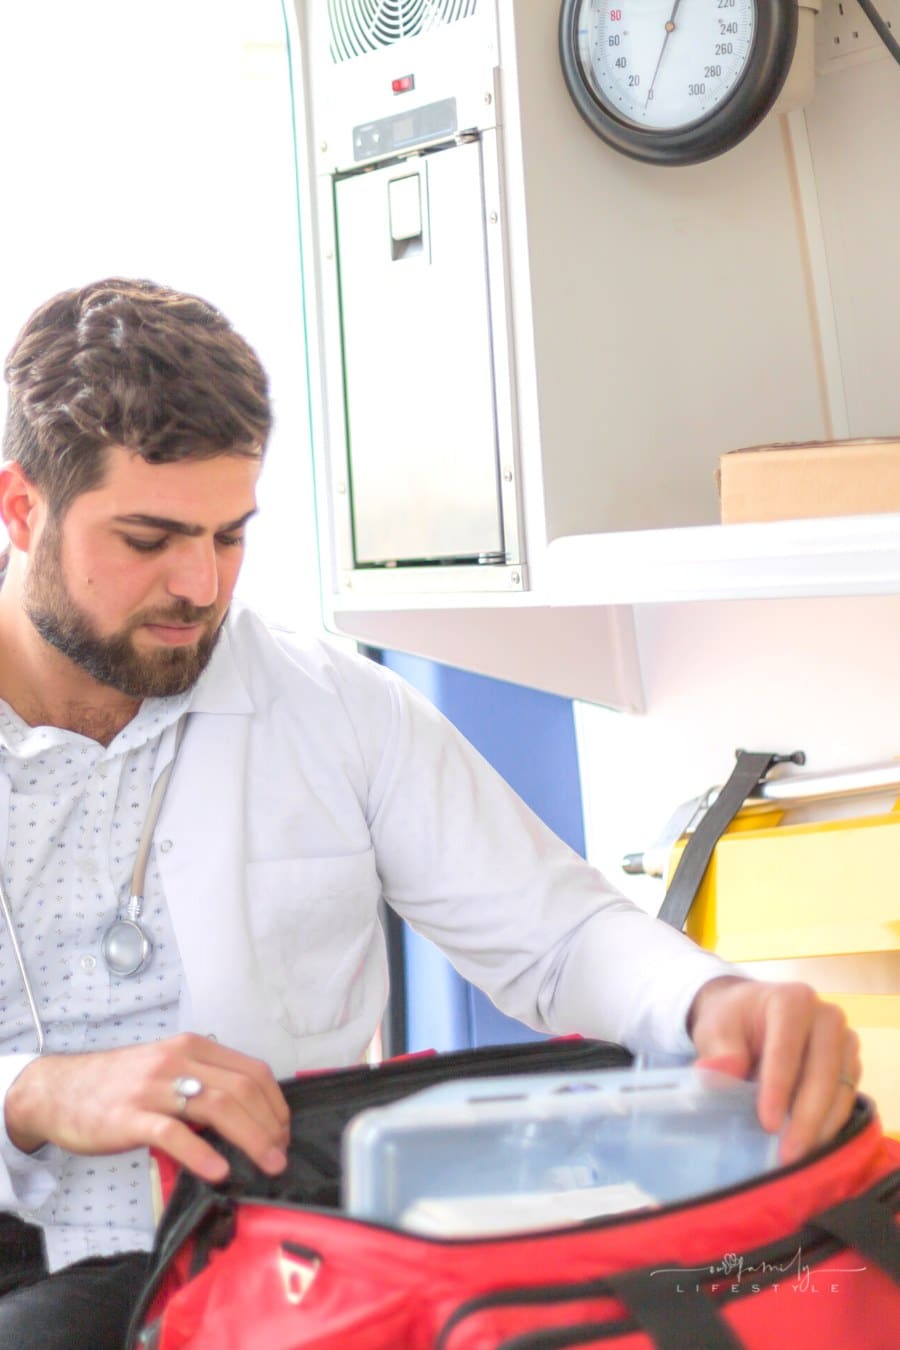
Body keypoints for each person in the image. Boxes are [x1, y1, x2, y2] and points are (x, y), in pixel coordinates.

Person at [0, 278, 860, 1347]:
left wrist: (707, 1001)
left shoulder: (330, 706)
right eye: (149, 538)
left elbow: (555, 931)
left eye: (230, 535)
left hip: (285, 1272)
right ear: (21, 506)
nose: (201, 584)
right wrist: (31, 1094)